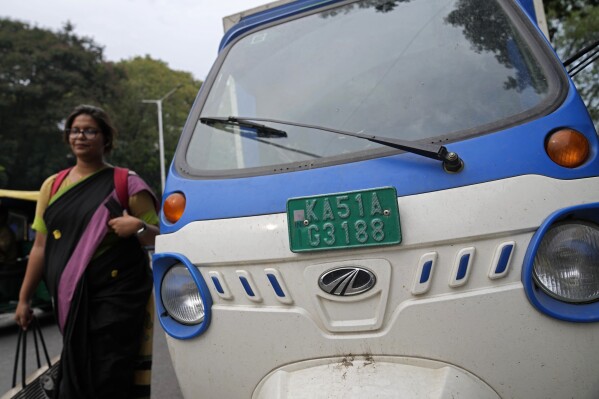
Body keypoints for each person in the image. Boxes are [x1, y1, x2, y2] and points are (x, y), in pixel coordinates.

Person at [14, 104, 160, 399]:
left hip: (117, 298)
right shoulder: (52, 186)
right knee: (78, 369)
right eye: (75, 130)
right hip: (71, 299)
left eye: (90, 130)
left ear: (106, 138)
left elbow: (162, 240)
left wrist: (139, 228)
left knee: (109, 372)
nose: (81, 136)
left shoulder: (127, 184)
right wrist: (24, 299)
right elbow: (40, 247)